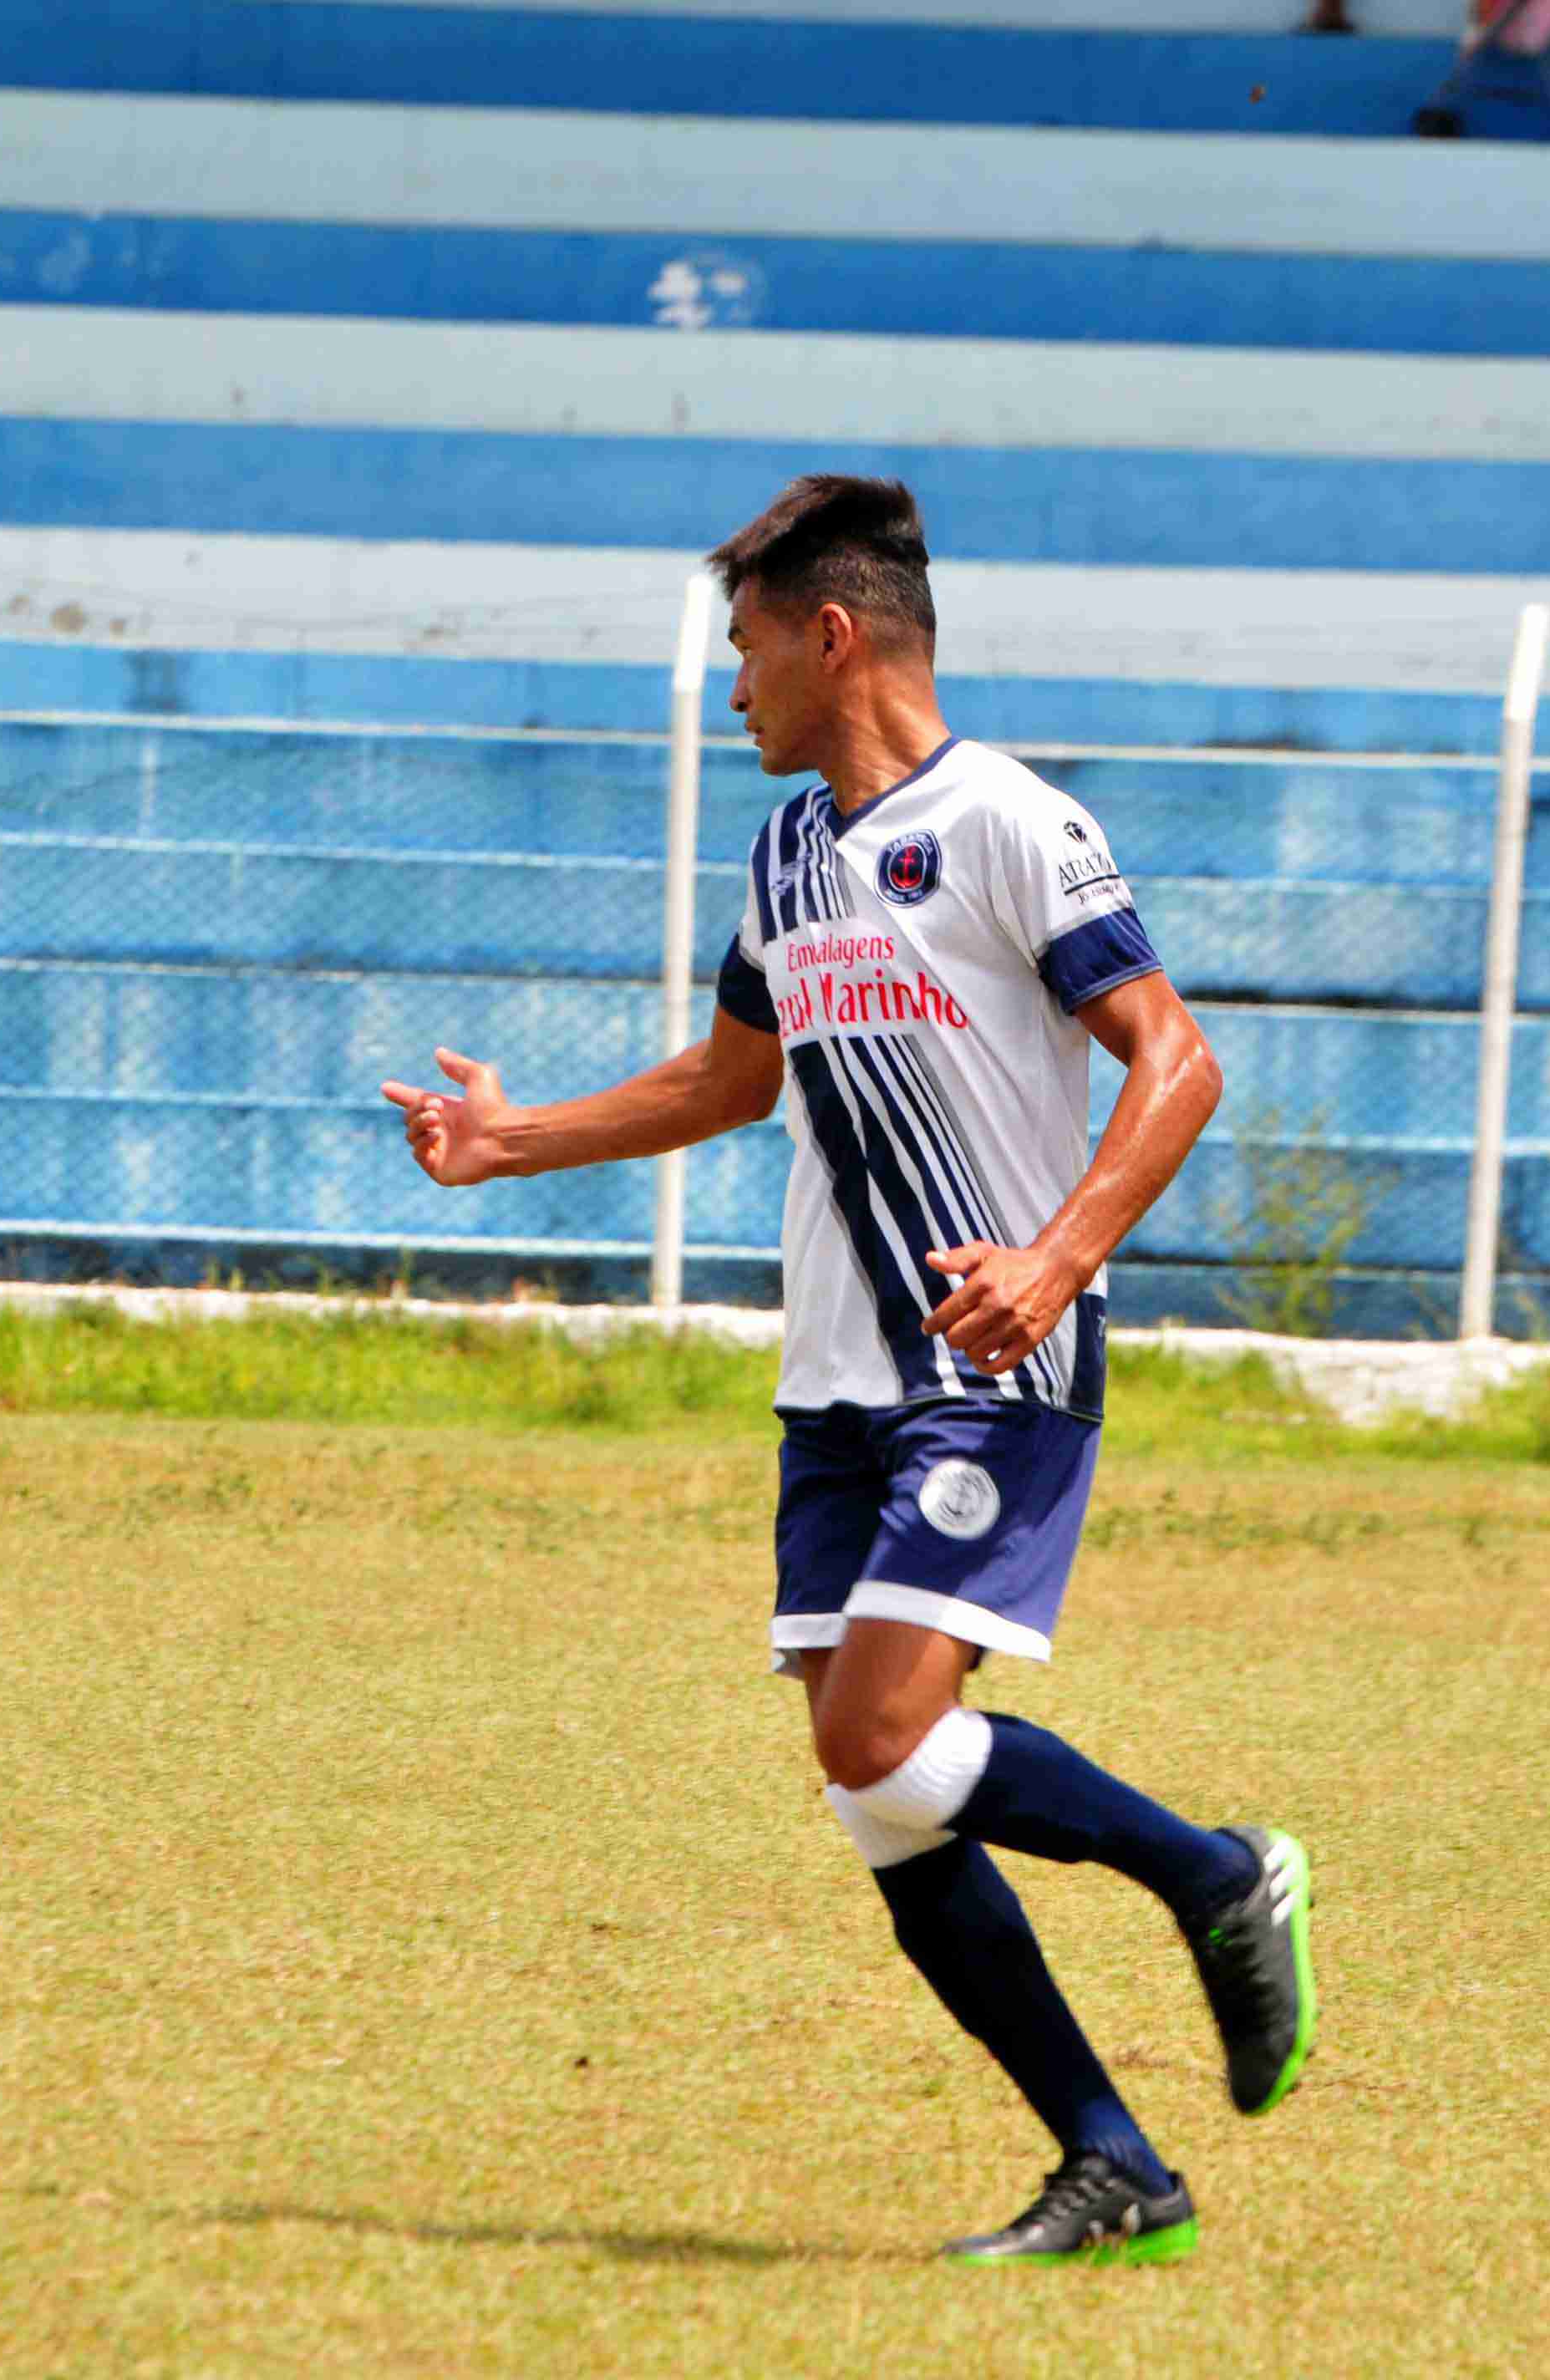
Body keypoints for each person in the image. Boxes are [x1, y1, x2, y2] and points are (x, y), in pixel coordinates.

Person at [381, 475, 1318, 2259]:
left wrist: (1055, 1256)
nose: (728, 690)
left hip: (988, 1356)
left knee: (879, 1731)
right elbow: (732, 1078)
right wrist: (510, 1145)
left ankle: (1216, 1870)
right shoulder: (788, 853)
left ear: (831, 636)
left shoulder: (1010, 825)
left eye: (744, 649)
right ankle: (1113, 2159)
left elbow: (1175, 1058)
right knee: (874, 1788)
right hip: (832, 1383)